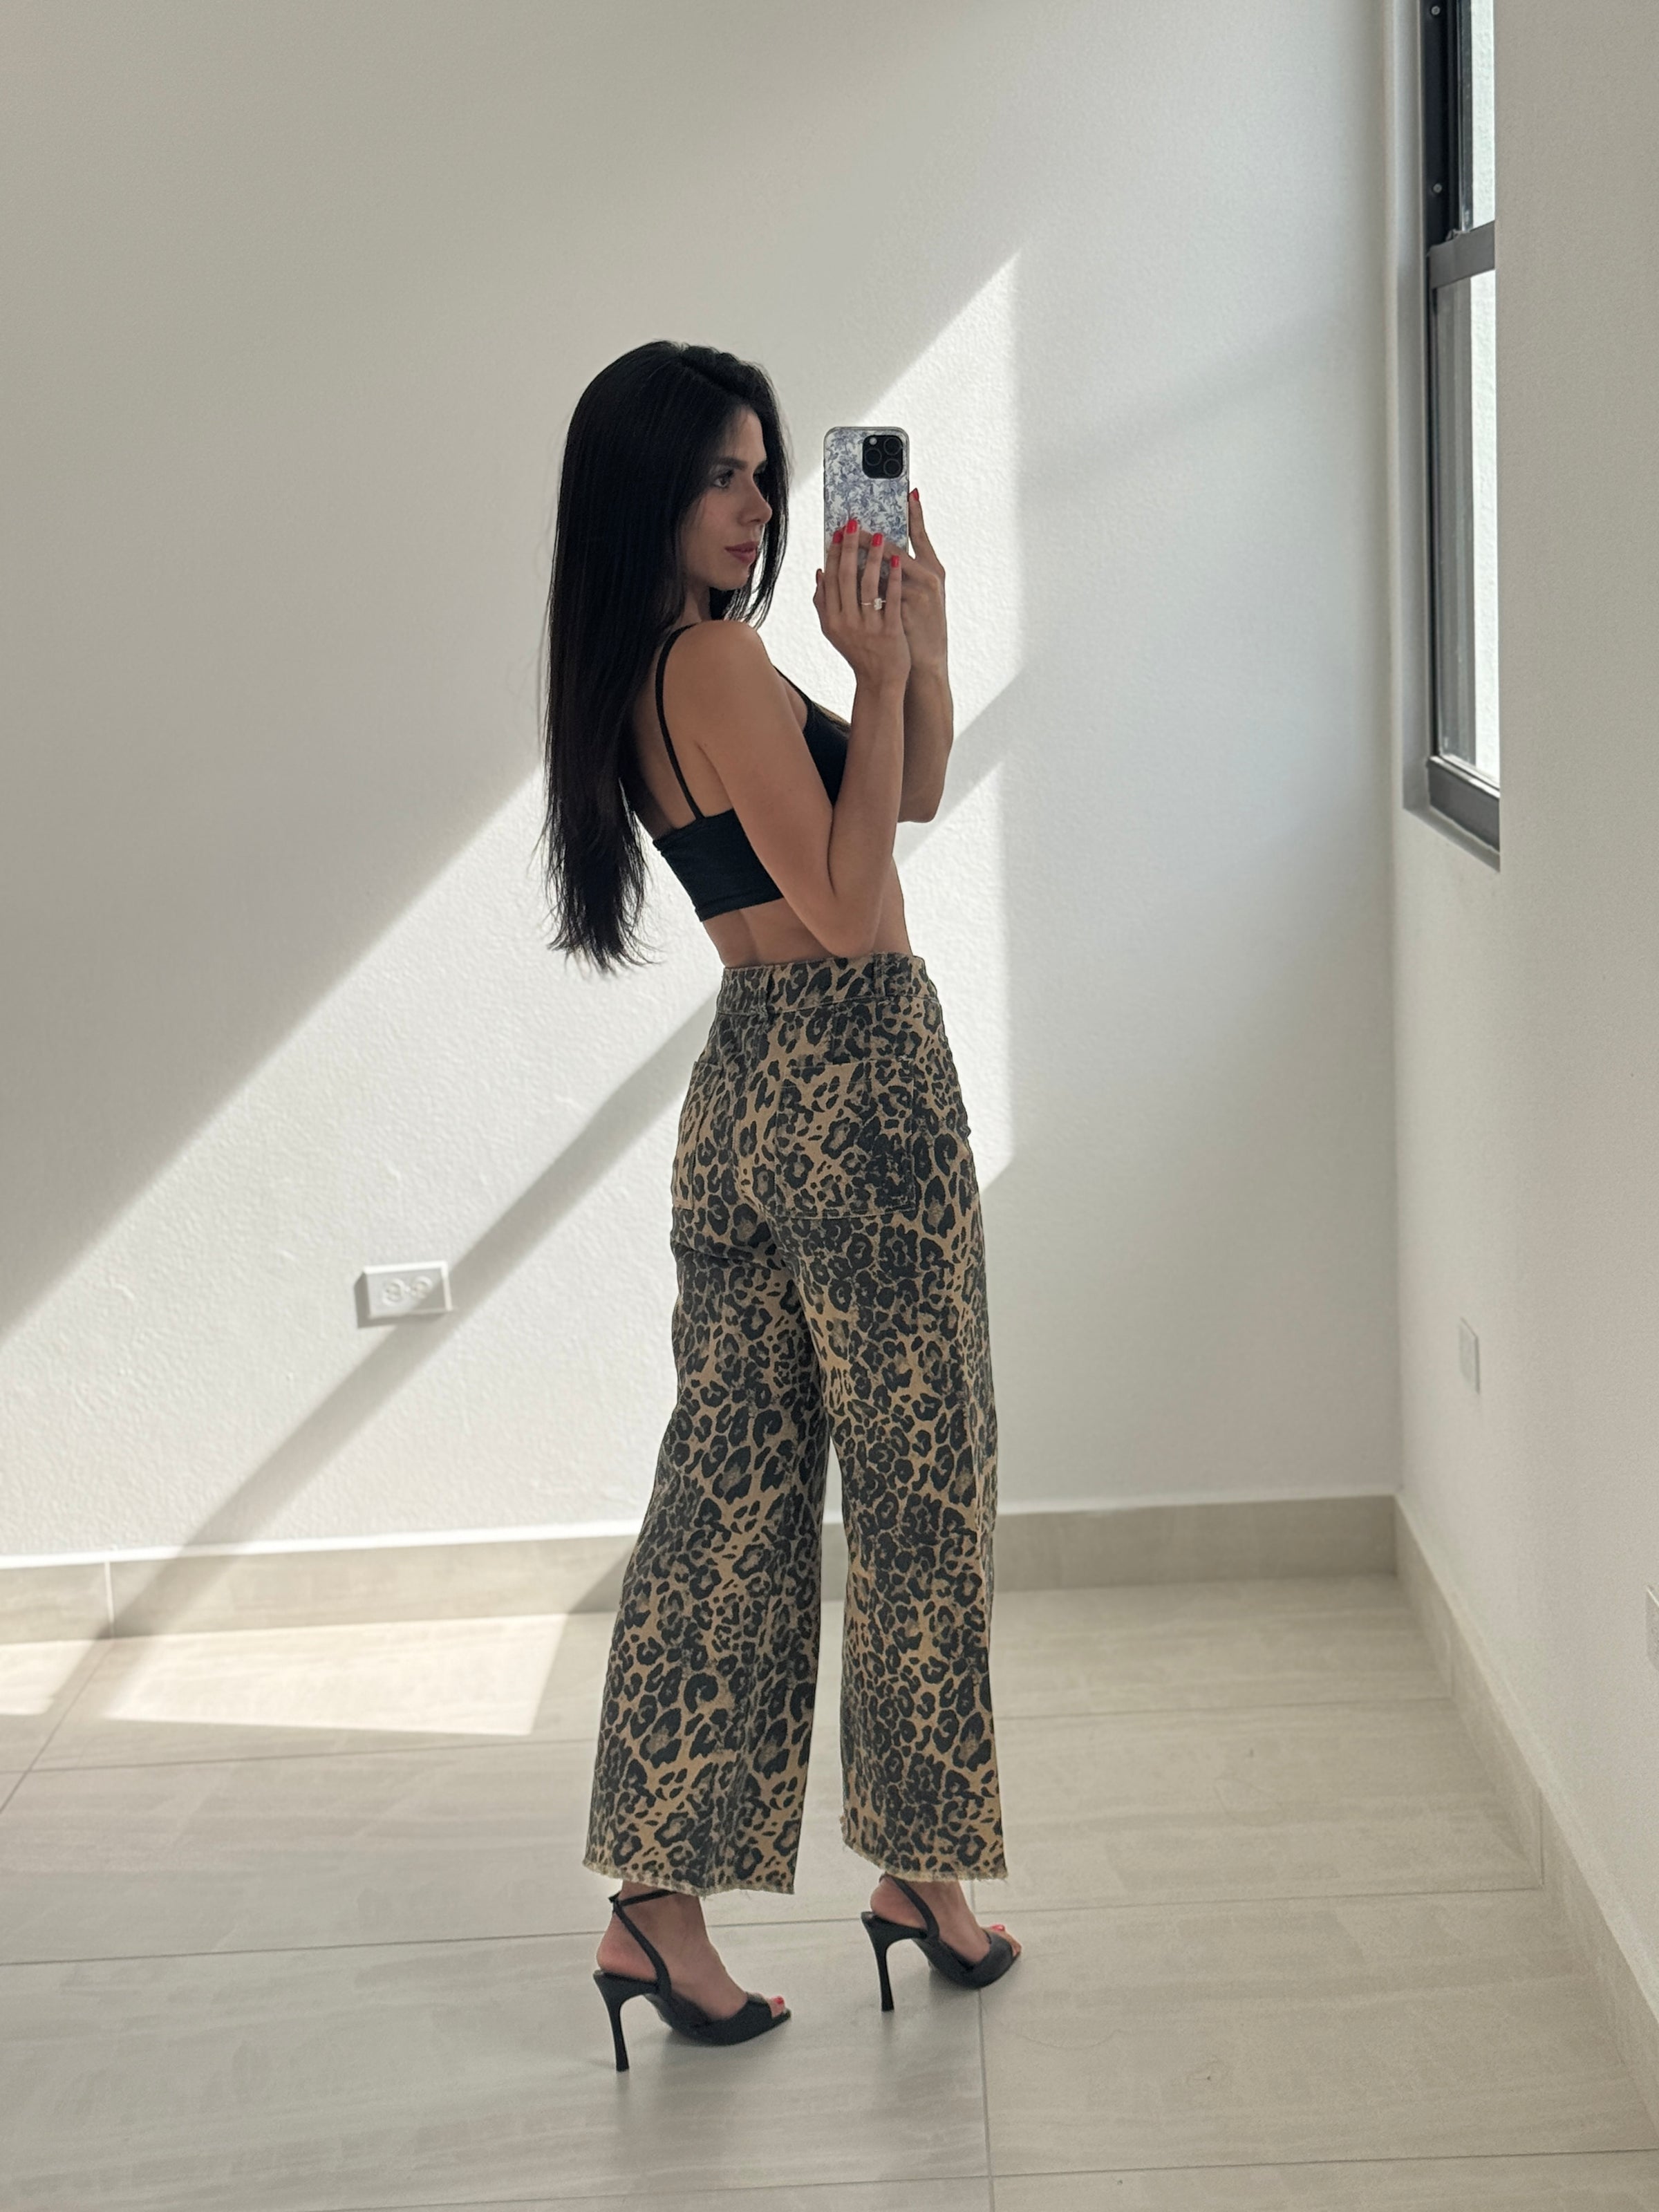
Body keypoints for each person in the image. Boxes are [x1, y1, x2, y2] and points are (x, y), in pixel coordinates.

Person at [536, 339, 1019, 2072]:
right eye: (722, 476)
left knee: (730, 1494)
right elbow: (843, 893)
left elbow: (913, 789)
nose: (757, 505)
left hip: (747, 1086)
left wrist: (916, 651)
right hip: (857, 1076)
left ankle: (655, 1902)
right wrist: (868, 678)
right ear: (648, 492)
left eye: (764, 472)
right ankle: (923, 1874)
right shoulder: (723, 662)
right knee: (921, 1485)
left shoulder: (645, 671)